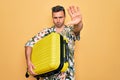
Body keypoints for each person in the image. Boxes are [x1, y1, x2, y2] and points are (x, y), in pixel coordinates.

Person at [25, 5, 83, 80]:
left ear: (65, 17)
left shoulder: (70, 31)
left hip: (68, 77)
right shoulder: (45, 32)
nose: (58, 20)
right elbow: (29, 44)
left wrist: (79, 22)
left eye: (60, 17)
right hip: (49, 77)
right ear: (52, 18)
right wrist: (28, 62)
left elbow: (78, 29)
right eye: (55, 18)